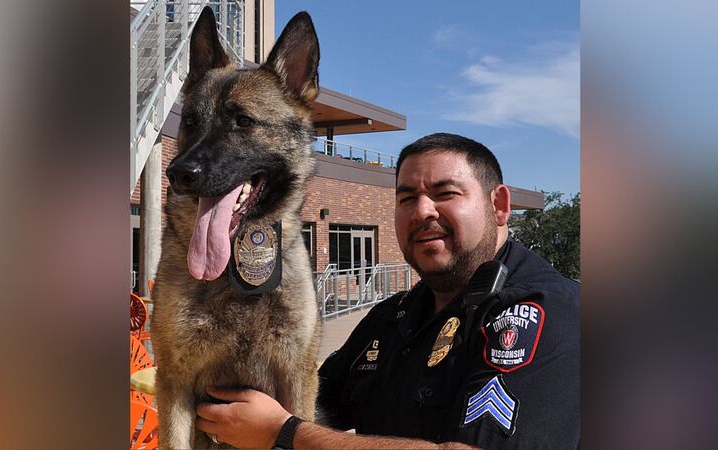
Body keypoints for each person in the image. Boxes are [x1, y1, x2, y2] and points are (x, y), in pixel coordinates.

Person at [195, 133, 580, 449]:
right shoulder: (394, 317)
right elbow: (311, 400)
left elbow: (287, 424)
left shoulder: (545, 312)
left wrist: (284, 435)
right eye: (407, 198)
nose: (422, 211)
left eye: (445, 193)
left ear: (499, 206)